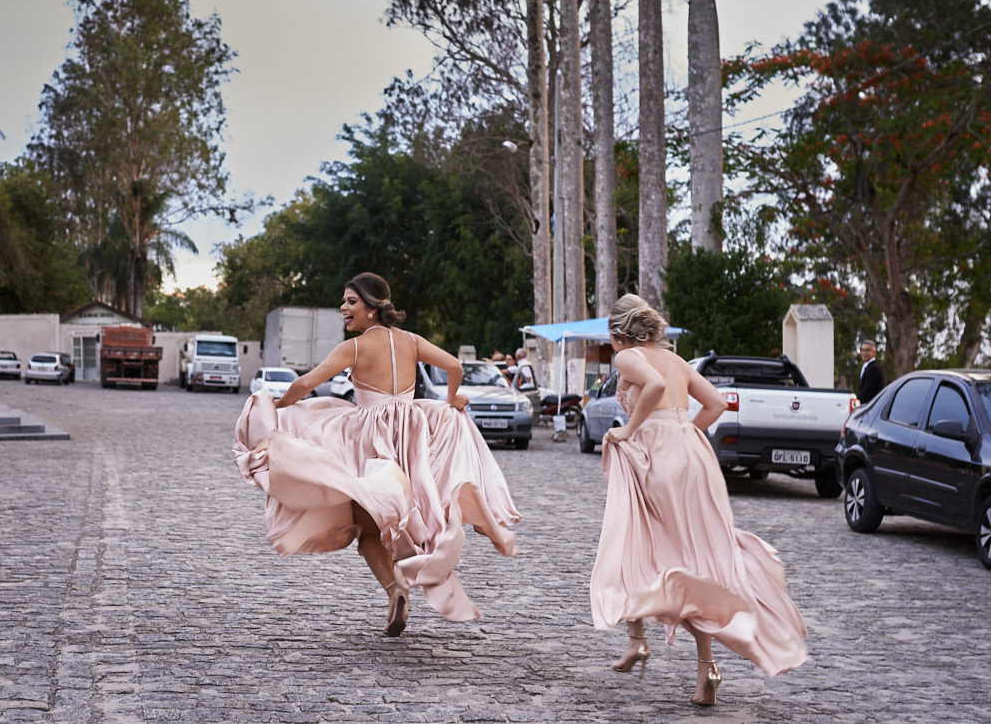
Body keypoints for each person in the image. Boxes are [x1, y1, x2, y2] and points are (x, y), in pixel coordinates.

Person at [232, 272, 520, 636]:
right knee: (403, 511)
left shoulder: (354, 348)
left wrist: (276, 406)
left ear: (371, 308)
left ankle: (396, 589)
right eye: (345, 301)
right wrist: (451, 399)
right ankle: (405, 578)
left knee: (368, 528)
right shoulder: (412, 341)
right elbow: (455, 366)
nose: (344, 308)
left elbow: (306, 384)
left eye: (351, 301)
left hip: (373, 439)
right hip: (412, 436)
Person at [590, 294, 807, 706]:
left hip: (655, 454)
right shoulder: (678, 361)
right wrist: (684, 430)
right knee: (694, 557)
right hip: (692, 454)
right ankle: (705, 668)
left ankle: (637, 639)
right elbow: (717, 403)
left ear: (618, 334)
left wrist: (628, 430)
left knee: (635, 542)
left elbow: (651, 387)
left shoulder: (628, 358)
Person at [857, 339, 884, 405]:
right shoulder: (867, 367)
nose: (864, 353)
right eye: (862, 350)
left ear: (874, 353)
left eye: (867, 350)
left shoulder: (873, 369)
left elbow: (867, 394)